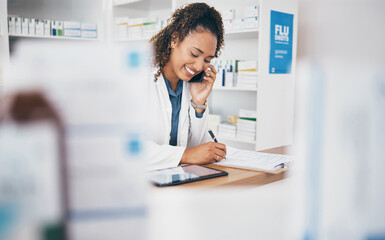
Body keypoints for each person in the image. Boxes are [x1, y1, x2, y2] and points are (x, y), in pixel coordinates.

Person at [146, 2, 227, 170]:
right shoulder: (140, 77)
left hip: (177, 182)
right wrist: (186, 155)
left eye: (207, 60)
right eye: (194, 54)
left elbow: (196, 148)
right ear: (175, 39)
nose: (199, 66)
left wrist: (198, 104)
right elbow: (125, 147)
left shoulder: (190, 85)